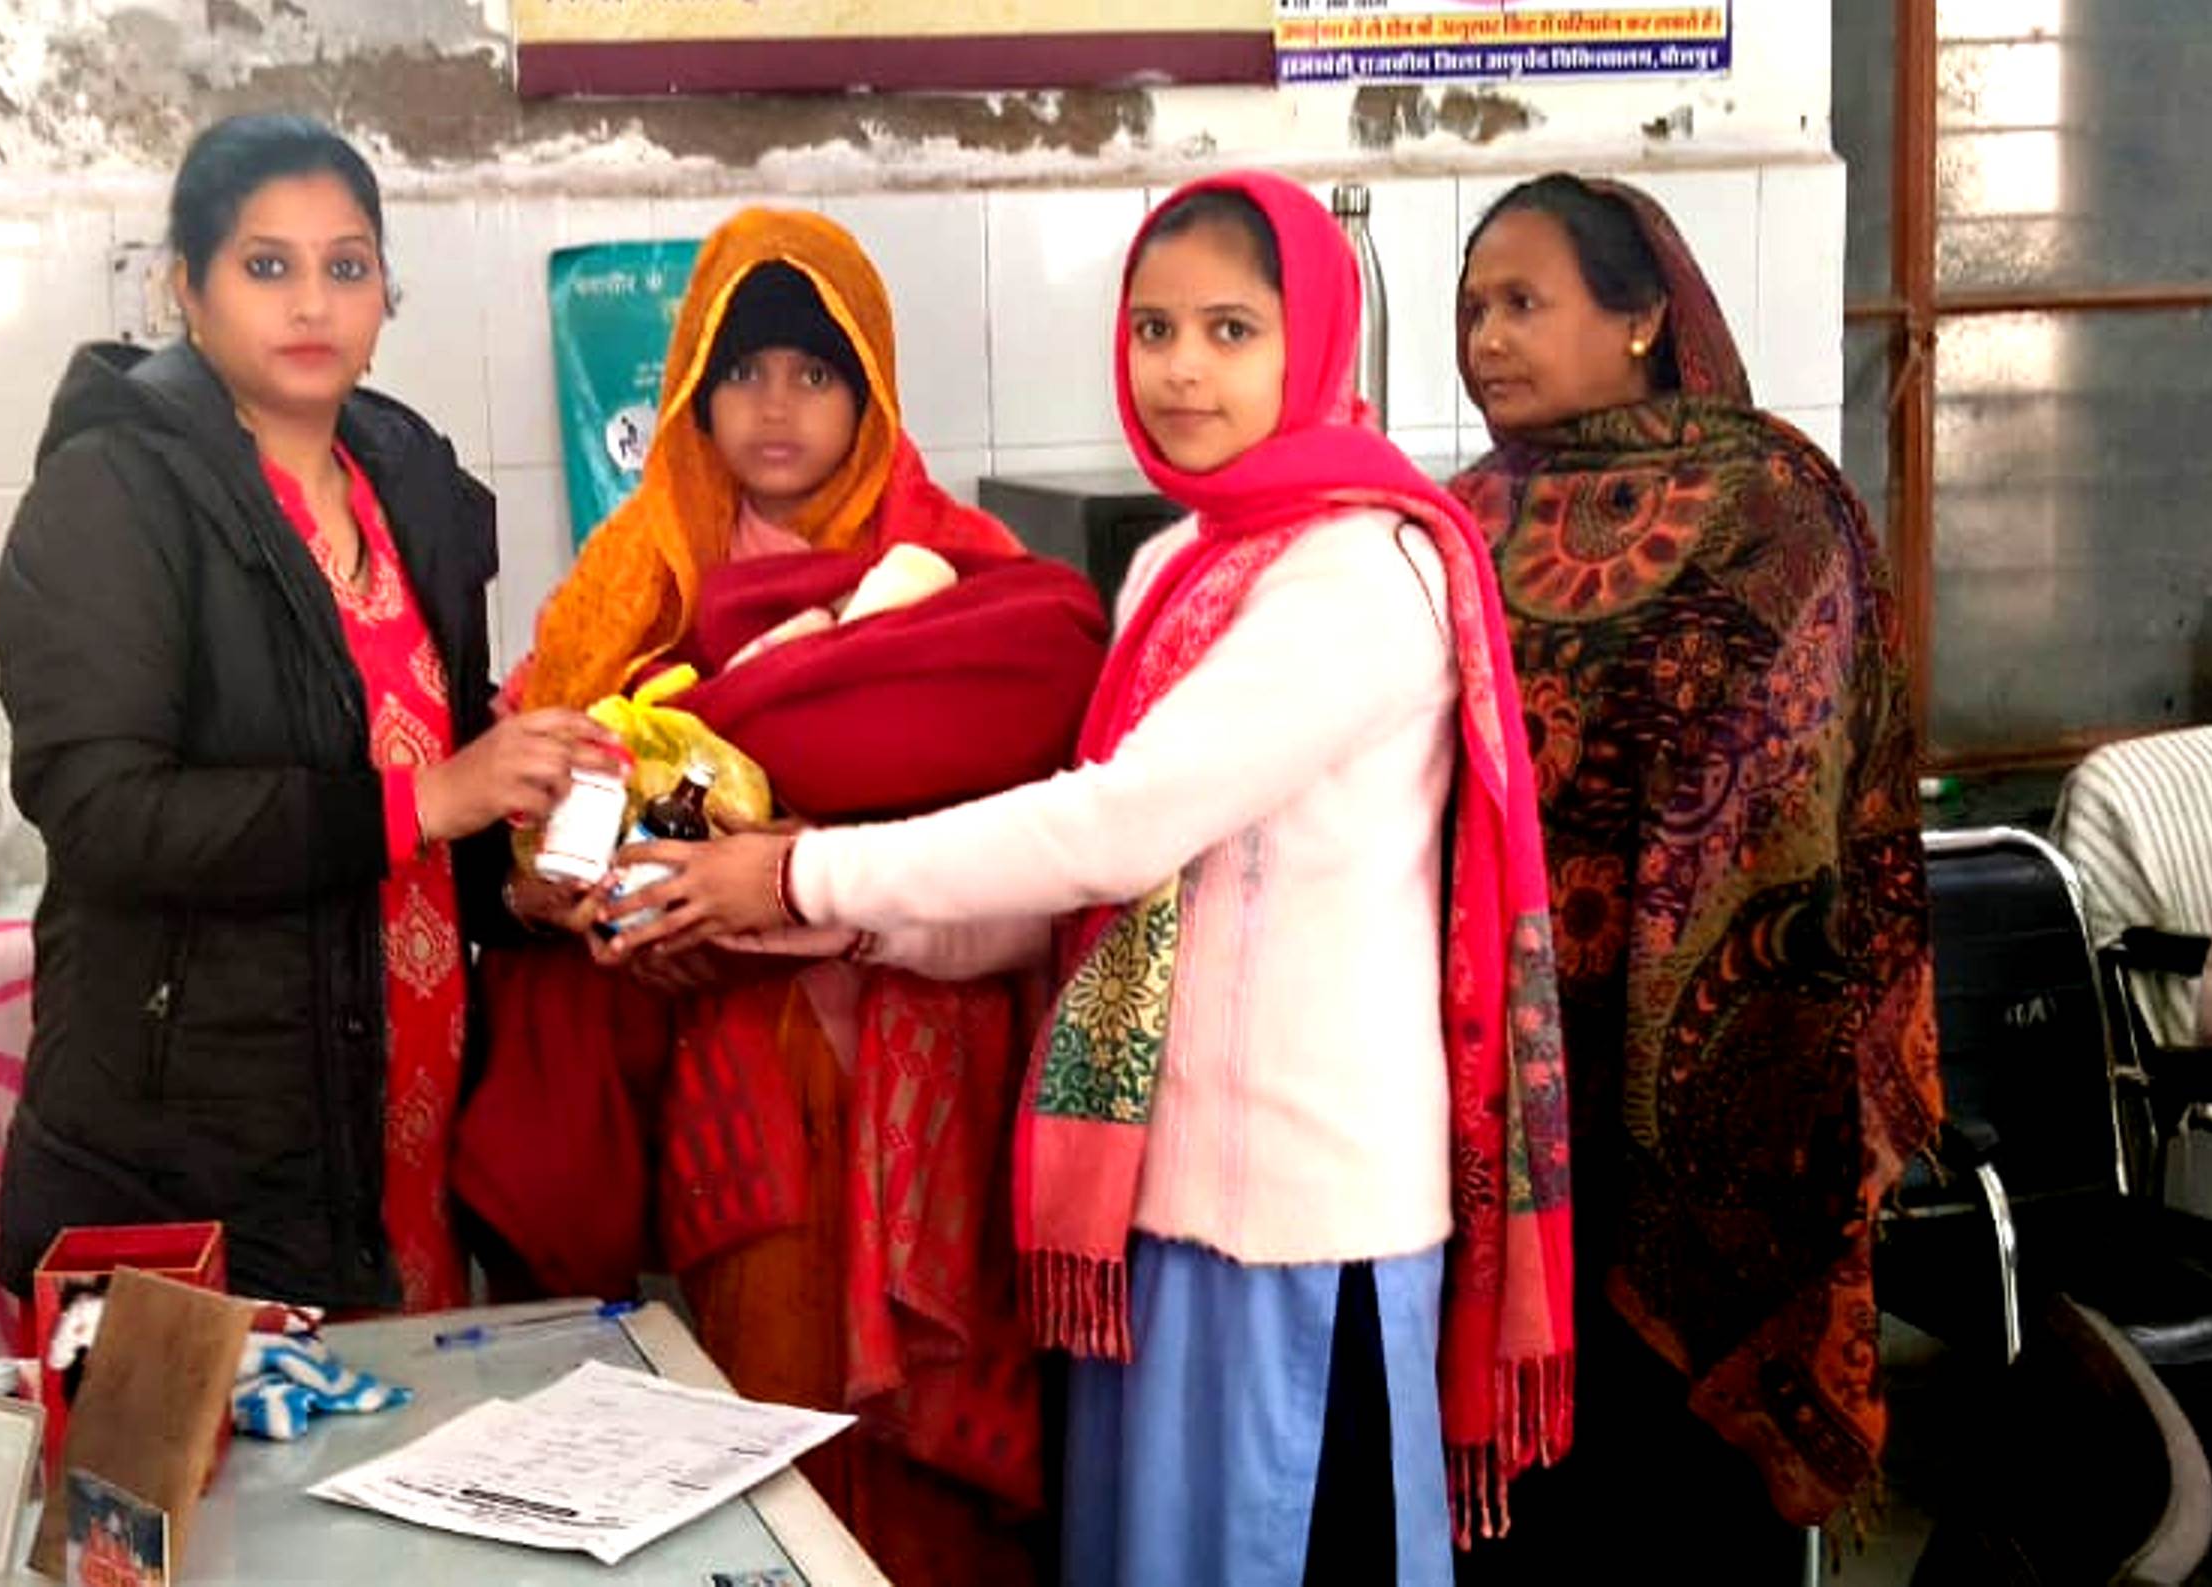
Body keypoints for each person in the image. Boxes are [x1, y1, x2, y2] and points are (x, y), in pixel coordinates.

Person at [600, 172, 1575, 1587]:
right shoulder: (1183, 560)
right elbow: (1100, 906)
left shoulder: (1361, 575)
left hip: (1307, 1223)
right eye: (1153, 327)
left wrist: (802, 871)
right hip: (1152, 1204)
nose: (1181, 369)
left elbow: (1114, 827)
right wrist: (821, 921)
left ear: (1316, 342)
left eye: (1231, 330)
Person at [457, 208, 1105, 1587]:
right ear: (692, 393)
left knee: (936, 1457)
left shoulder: (963, 574)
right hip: (733, 1064)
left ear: (870, 396)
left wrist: (799, 866)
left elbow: (1027, 823)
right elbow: (538, 820)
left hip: (924, 1046)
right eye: (741, 371)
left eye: (815, 374)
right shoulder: (635, 584)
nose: (774, 405)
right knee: (765, 1414)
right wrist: (583, 903)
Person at [0, 113, 612, 1314]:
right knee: (216, 1438)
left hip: (400, 1132)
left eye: (348, 265)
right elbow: (106, 812)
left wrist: (521, 886)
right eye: (267, 265)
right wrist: (434, 798)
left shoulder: (407, 480)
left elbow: (434, 772)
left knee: (403, 1420)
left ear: (385, 294)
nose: (313, 303)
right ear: (188, 288)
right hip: (201, 1145)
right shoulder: (112, 491)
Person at [1445, 173, 1940, 1580]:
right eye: (1472, 309)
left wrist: (1681, 966)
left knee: (1683, 1514)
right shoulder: (1458, 520)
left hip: (1729, 1061)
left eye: (1523, 301)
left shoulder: (1769, 501)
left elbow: (1797, 786)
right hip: (1506, 1087)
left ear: (1642, 316)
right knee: (1529, 1504)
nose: (1488, 338)